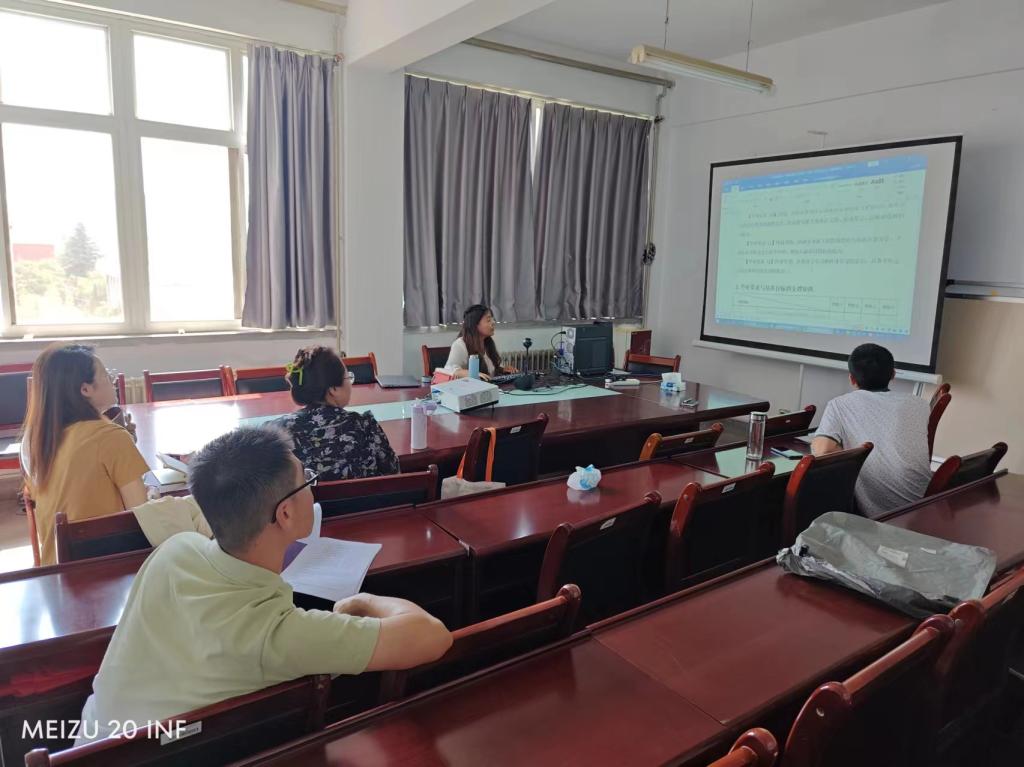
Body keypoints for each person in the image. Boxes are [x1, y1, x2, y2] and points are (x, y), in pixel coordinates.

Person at [76, 427, 451, 744]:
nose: (312, 489)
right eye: (307, 481)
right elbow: (432, 635)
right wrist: (363, 600)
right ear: (285, 513)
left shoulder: (174, 551)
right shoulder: (276, 635)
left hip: (89, 742)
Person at [21, 343, 149, 566]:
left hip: (55, 567)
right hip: (102, 565)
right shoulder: (110, 437)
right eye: (106, 375)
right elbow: (144, 516)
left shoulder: (40, 440)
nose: (112, 381)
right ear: (85, 389)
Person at [812, 343, 932, 518]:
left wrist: (850, 450)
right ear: (893, 374)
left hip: (885, 517)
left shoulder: (839, 405)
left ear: (852, 379)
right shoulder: (920, 404)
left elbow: (823, 451)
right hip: (926, 506)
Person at [278, 346, 400, 481]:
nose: (350, 384)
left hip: (308, 496)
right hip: (366, 495)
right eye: (348, 377)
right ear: (333, 389)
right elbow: (393, 474)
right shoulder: (365, 426)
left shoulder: (279, 432)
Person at [444, 304, 511, 381]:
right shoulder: (460, 344)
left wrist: (503, 369)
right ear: (475, 324)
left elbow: (491, 371)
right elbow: (450, 370)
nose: (493, 322)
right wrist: (473, 374)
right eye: (488, 320)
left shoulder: (488, 343)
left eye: (492, 319)